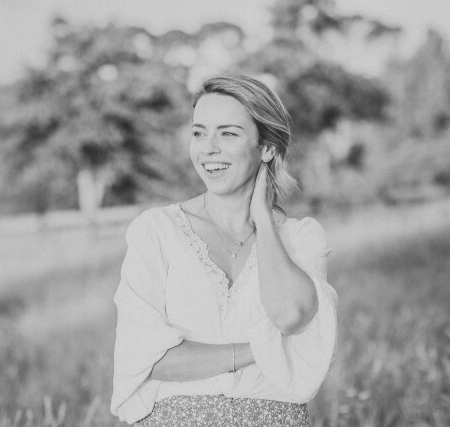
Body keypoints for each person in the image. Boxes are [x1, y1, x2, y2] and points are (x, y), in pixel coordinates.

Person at [110, 75, 338, 426]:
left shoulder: (301, 239)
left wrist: (263, 219)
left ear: (267, 148)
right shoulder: (156, 231)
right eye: (199, 133)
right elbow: (146, 358)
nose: (208, 148)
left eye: (228, 134)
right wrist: (265, 349)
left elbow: (290, 315)